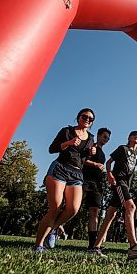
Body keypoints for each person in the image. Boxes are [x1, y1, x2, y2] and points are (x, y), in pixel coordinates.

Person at [33, 108, 97, 252]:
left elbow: (82, 158)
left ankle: (53, 230)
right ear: (78, 117)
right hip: (60, 168)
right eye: (84, 117)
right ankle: (38, 245)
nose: (87, 120)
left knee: (73, 209)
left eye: (90, 119)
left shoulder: (91, 138)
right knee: (55, 207)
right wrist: (68, 143)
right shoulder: (67, 131)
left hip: (76, 174)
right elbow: (52, 149)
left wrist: (90, 153)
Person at [89, 131, 137, 260]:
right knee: (130, 207)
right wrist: (109, 174)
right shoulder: (122, 149)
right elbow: (108, 162)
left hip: (126, 186)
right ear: (129, 138)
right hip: (119, 182)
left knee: (110, 215)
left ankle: (95, 248)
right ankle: (133, 246)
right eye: (134, 136)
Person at [82, 127, 111, 250]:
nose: (106, 140)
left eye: (108, 138)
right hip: (84, 180)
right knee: (72, 207)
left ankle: (93, 244)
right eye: (104, 137)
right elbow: (82, 160)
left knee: (94, 211)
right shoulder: (91, 147)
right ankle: (52, 231)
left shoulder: (103, 154)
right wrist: (95, 164)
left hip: (97, 184)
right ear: (98, 135)